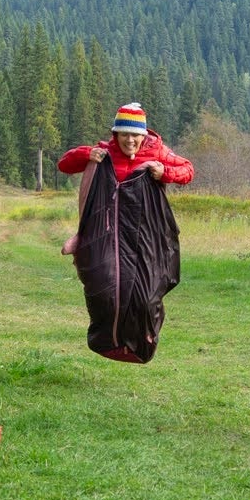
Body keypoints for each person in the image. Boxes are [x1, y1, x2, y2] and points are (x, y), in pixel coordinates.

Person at [58, 104, 193, 362]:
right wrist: (88, 154)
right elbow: (65, 164)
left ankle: (140, 344)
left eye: (135, 135)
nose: (130, 140)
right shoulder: (104, 152)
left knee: (144, 296)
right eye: (124, 134)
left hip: (146, 237)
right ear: (115, 134)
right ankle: (108, 343)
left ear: (143, 136)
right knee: (103, 288)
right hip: (105, 234)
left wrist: (165, 172)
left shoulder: (157, 152)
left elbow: (188, 170)